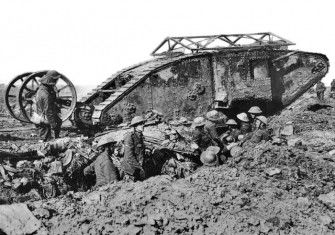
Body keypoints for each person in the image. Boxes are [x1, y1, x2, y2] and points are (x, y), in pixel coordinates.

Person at [35, 70, 62, 142]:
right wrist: (53, 125)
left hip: (37, 116)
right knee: (45, 138)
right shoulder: (46, 95)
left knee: (58, 121)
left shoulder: (41, 89)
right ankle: (46, 142)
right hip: (43, 118)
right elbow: (48, 112)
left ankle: (49, 140)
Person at [120, 116, 146, 181]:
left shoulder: (140, 136)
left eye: (143, 123)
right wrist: (140, 167)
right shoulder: (130, 137)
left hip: (137, 168)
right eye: (140, 124)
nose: (143, 125)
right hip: (130, 170)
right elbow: (129, 156)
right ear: (135, 126)